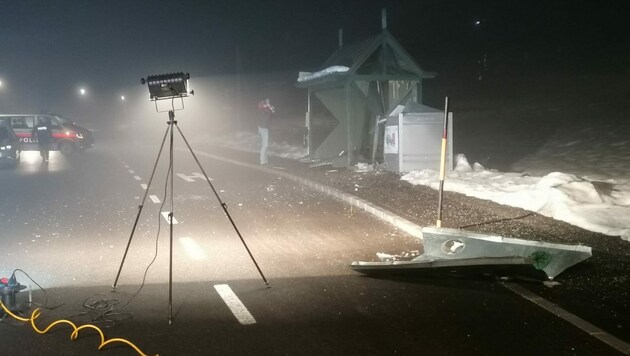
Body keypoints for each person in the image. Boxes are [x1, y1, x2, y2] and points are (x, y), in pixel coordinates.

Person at [257, 98, 274, 165]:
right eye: (268, 102)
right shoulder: (263, 109)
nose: (269, 104)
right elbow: (265, 118)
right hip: (263, 128)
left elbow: (270, 117)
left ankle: (265, 160)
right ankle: (262, 161)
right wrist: (269, 110)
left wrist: (270, 110)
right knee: (265, 145)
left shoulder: (265, 109)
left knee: (266, 145)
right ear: (264, 103)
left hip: (264, 128)